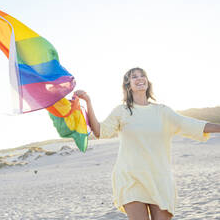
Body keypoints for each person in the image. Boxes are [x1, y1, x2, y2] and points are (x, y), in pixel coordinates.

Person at [75, 67, 220, 220]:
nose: (139, 78)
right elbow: (100, 131)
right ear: (128, 85)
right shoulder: (122, 111)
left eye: (142, 75)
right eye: (134, 77)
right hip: (131, 178)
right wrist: (88, 102)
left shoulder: (163, 111)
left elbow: (191, 124)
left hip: (160, 178)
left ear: (147, 82)